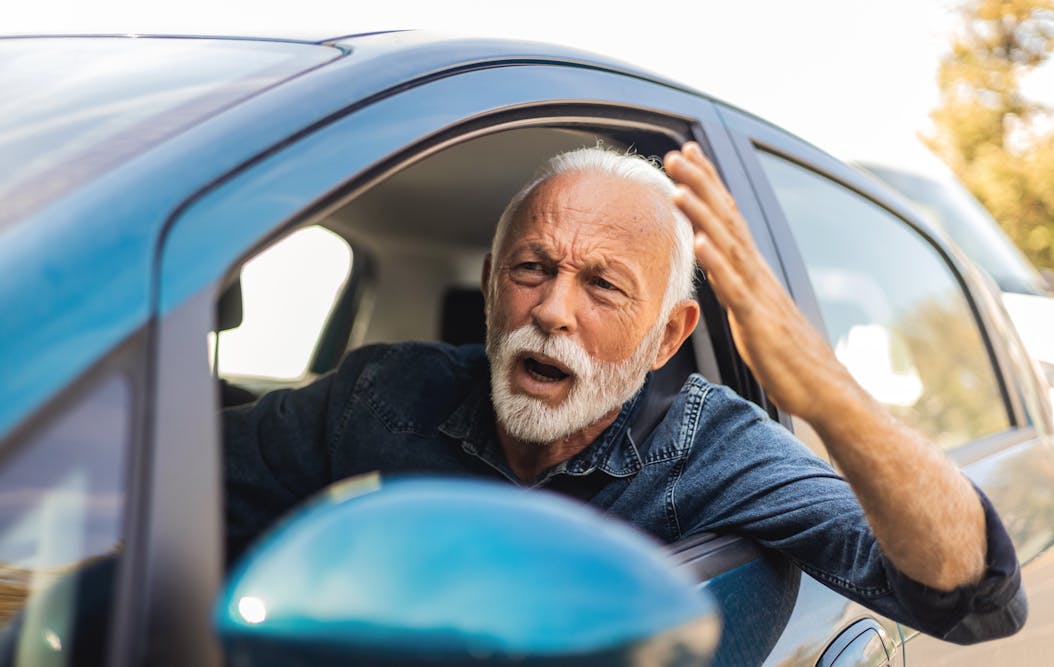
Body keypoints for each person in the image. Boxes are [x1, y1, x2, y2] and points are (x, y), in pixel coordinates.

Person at [223, 142, 1024, 643]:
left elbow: (968, 598)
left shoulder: (719, 451)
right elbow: (171, 486)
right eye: (532, 268)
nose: (552, 310)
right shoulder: (382, 392)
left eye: (603, 285)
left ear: (668, 336)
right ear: (493, 284)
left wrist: (822, 390)